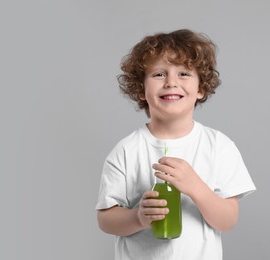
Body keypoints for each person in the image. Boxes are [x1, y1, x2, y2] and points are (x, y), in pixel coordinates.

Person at [96, 29, 256, 260]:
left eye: (183, 73)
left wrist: (195, 187)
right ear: (141, 89)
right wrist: (138, 218)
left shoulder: (219, 146)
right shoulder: (126, 150)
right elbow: (105, 219)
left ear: (200, 88)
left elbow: (227, 221)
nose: (171, 82)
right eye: (159, 74)